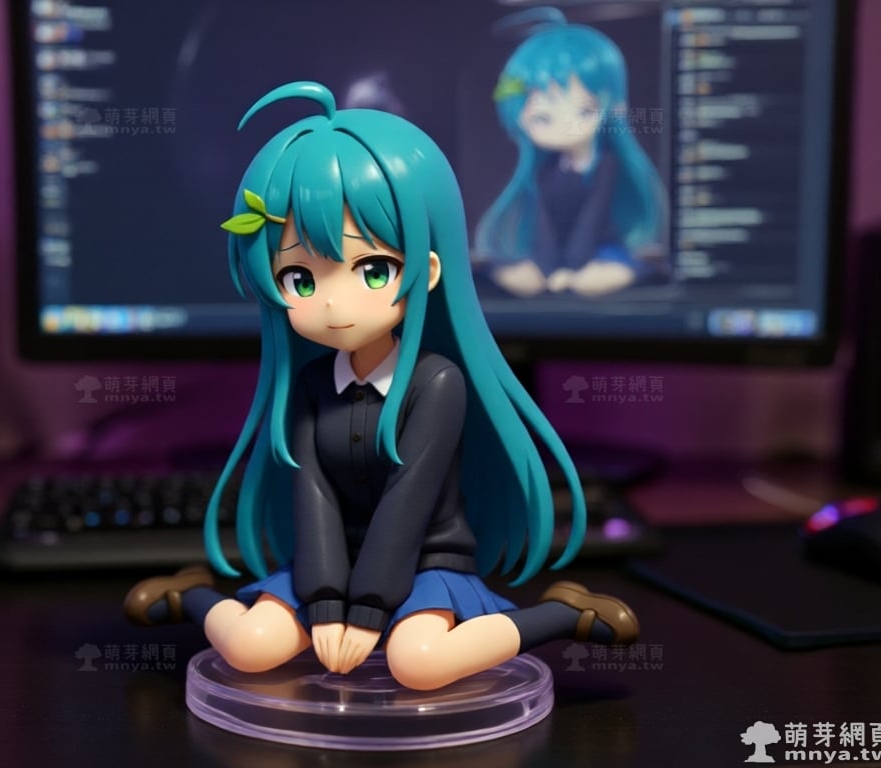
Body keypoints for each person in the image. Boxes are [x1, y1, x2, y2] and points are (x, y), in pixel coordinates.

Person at [125, 81, 638, 691]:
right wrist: (323, 599)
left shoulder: (436, 382)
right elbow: (312, 490)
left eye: (372, 270)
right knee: (252, 648)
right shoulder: (312, 383)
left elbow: (408, 497)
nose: (333, 303)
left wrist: (369, 607)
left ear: (426, 270)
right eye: (300, 279)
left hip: (424, 560)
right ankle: (192, 594)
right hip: (327, 562)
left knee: (418, 663)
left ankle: (562, 612)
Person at [476, 7, 667, 298]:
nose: (565, 126)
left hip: (599, 251)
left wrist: (576, 267)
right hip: (553, 258)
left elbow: (594, 216)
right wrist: (546, 268)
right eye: (542, 117)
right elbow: (542, 223)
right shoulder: (544, 170)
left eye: (584, 111)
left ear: (613, 109)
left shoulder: (606, 165)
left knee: (604, 276)